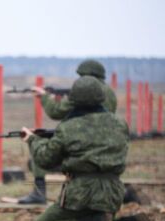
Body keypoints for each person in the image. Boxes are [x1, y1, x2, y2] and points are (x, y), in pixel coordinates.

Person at [21, 76, 158, 221]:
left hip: (81, 194)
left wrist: (33, 140)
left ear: (74, 99)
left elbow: (45, 159)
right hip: (112, 192)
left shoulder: (69, 127)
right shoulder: (120, 123)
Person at [18, 59, 118, 204]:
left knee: (39, 149)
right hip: (105, 146)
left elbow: (56, 111)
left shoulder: (84, 92)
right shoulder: (110, 93)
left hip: (82, 143)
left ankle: (38, 194)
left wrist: (45, 97)